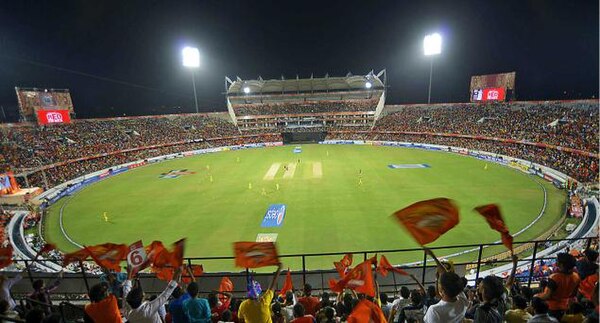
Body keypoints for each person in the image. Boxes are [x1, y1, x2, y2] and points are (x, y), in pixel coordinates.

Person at [423, 248, 469, 323]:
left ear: (442, 291)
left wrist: (433, 256)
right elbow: (445, 274)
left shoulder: (434, 310)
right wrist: (433, 256)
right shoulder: (463, 300)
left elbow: (445, 274)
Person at [535, 253, 580, 320]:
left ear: (561, 264)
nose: (556, 261)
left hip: (553, 308)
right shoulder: (576, 276)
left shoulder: (555, 277)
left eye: (557, 260)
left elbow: (547, 296)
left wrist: (536, 296)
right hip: (566, 306)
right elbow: (574, 294)